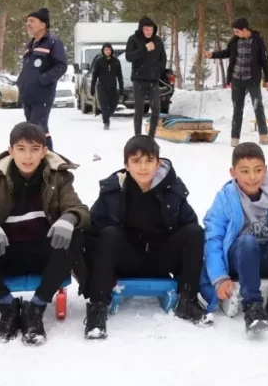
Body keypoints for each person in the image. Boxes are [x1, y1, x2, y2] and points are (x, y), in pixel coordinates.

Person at [0, 122, 89, 345]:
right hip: (4, 253)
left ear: (44, 151)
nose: (28, 156)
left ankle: (36, 307)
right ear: (10, 151)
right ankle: (6, 305)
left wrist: (69, 218)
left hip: (43, 255)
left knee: (77, 234)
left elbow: (79, 209)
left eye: (35, 149)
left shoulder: (59, 177)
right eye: (21, 149)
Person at [83, 136, 211, 339]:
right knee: (108, 234)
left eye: (149, 161)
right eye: (135, 161)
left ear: (158, 163)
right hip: (126, 259)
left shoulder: (172, 190)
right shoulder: (113, 191)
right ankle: (98, 307)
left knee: (195, 231)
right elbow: (92, 233)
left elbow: (189, 228)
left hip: (162, 259)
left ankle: (188, 300)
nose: (143, 167)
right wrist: (89, 278)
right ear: (126, 165)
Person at [201, 144, 268, 333]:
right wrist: (219, 278)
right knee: (248, 241)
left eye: (257, 170)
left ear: (265, 169)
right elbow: (213, 238)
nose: (252, 177)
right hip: (240, 258)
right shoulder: (225, 198)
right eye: (244, 171)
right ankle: (253, 306)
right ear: (233, 172)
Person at [206, 18, 268, 147]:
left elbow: (265, 60)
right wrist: (212, 55)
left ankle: (264, 136)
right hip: (237, 80)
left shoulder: (257, 41)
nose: (235, 33)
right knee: (237, 108)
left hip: (252, 79)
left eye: (237, 31)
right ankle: (235, 138)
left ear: (245, 29)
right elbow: (227, 53)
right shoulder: (234, 41)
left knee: (258, 106)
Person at [17, 8, 68, 151]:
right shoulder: (31, 44)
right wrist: (21, 82)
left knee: (36, 128)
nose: (28, 24)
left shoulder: (53, 42)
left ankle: (46, 160)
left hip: (42, 94)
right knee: (39, 129)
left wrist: (44, 79)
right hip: (28, 94)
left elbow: (61, 66)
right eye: (27, 21)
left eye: (32, 21)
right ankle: (48, 159)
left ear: (43, 24)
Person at [125, 16, 167, 139]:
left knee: (156, 110)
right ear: (141, 29)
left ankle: (150, 137)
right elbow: (129, 57)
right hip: (138, 80)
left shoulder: (158, 41)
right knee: (139, 111)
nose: (149, 32)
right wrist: (144, 49)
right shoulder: (133, 40)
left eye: (151, 29)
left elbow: (162, 58)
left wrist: (160, 71)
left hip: (153, 80)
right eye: (146, 29)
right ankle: (138, 137)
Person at [90, 43, 124, 130]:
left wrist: (121, 87)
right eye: (106, 50)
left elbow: (119, 76)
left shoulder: (116, 62)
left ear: (111, 50)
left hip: (113, 88)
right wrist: (92, 87)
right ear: (103, 51)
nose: (107, 51)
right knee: (104, 106)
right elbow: (94, 76)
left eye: (109, 49)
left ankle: (106, 116)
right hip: (102, 88)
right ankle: (106, 122)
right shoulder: (99, 62)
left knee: (113, 106)